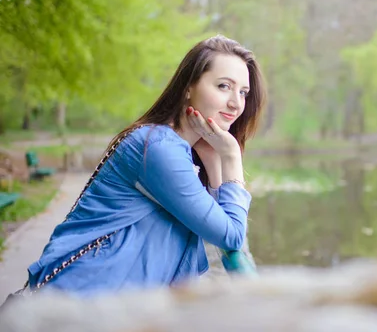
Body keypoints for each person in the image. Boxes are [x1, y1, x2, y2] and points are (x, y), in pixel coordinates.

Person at [25, 35, 266, 297]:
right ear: (188, 87)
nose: (236, 103)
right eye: (223, 86)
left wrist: (212, 159)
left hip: (111, 301)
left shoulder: (181, 149)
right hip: (84, 299)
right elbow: (230, 236)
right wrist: (230, 155)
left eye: (243, 92)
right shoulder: (158, 147)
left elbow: (222, 225)